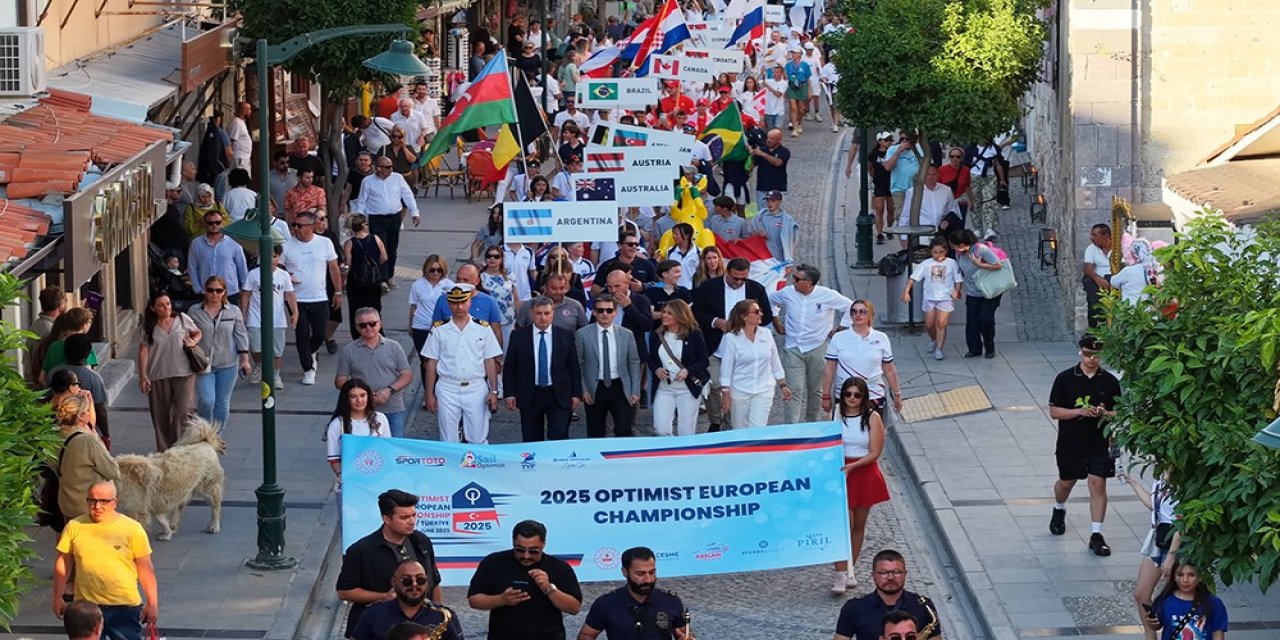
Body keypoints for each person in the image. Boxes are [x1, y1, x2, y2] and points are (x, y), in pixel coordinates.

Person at [53, 480, 158, 640]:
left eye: (104, 501)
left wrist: (152, 603)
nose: (97, 506)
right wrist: (57, 597)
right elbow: (63, 563)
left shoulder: (132, 529)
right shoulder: (74, 526)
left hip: (124, 607)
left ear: (115, 502)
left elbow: (145, 568)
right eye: (92, 500)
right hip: (86, 608)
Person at [1048, 333, 1122, 557]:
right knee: (1066, 482)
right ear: (1080, 352)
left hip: (1099, 442)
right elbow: (1054, 411)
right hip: (1071, 442)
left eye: (1096, 355)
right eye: (1088, 354)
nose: (1092, 359)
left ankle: (1096, 535)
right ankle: (1059, 509)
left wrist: (1105, 413)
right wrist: (1079, 411)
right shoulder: (1065, 379)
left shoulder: (1109, 381)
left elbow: (1119, 412)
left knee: (1097, 484)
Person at [337, 489, 444, 633]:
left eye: (414, 515)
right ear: (386, 519)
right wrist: (383, 596)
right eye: (404, 518)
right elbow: (345, 592)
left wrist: (438, 614)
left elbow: (433, 581)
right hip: (379, 627)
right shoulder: (361, 550)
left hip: (419, 625)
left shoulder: (421, 541)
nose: (412, 522)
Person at [692, 258, 775, 431]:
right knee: (714, 384)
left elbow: (767, 315)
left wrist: (748, 324)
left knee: (734, 388)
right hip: (715, 347)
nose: (739, 282)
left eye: (743, 279)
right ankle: (716, 420)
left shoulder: (756, 289)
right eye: (735, 278)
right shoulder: (709, 286)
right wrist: (714, 321)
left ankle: (729, 425)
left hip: (743, 351)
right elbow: (696, 311)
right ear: (727, 272)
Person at [468, 520, 584, 640]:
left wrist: (549, 589)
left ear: (543, 544)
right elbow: (474, 600)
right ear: (513, 542)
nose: (526, 556)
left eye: (533, 551)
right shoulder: (493, 563)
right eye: (520, 550)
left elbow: (574, 608)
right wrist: (502, 599)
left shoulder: (559, 568)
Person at [770, 265, 853, 422]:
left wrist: (840, 329)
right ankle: (792, 428)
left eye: (797, 279)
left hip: (818, 347)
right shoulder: (787, 293)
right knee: (794, 389)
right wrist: (776, 321)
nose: (793, 281)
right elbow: (770, 301)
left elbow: (850, 307)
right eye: (794, 278)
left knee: (816, 390)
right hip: (793, 347)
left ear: (809, 282)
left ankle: (813, 424)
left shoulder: (827, 295)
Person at [422, 284, 503, 443]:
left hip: (475, 387)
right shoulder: (439, 329)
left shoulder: (483, 328)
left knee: (478, 437)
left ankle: (476, 460)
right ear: (448, 303)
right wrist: (429, 394)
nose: (459, 306)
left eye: (463, 302)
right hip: (447, 387)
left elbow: (489, 361)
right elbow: (431, 363)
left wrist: (494, 391)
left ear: (470, 302)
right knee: (448, 439)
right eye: (454, 302)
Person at [831, 377, 890, 593]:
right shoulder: (837, 414)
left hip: (863, 472)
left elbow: (875, 451)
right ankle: (840, 573)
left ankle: (850, 569)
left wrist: (854, 467)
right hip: (842, 472)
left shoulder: (872, 417)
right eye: (848, 394)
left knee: (858, 525)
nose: (852, 398)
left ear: (864, 397)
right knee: (844, 523)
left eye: (857, 395)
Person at [504, 297, 582, 441]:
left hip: (558, 394)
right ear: (531, 314)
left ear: (553, 313)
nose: (543, 317)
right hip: (530, 394)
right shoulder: (519, 336)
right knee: (532, 439)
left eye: (547, 313)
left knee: (559, 435)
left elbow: (573, 366)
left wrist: (576, 394)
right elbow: (510, 367)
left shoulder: (565, 335)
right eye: (539, 313)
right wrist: (509, 393)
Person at [282, 210, 343, 386]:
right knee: (301, 333)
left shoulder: (324, 243)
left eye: (300, 226)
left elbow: (333, 268)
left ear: (311, 226)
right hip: (296, 298)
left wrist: (338, 292)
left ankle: (310, 352)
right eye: (294, 225)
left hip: (319, 296)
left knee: (319, 333)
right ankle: (308, 368)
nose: (296, 229)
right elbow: (279, 266)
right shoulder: (287, 245)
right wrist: (288, 275)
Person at [577, 546, 691, 640]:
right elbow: (587, 635)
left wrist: (688, 637)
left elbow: (684, 633)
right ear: (625, 572)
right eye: (640, 574)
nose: (648, 580)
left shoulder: (671, 601)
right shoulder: (605, 604)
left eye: (652, 572)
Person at [335, 309, 414, 438]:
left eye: (372, 323)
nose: (368, 328)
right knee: (364, 447)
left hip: (392, 409)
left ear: (380, 323)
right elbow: (340, 380)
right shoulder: (348, 350)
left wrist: (389, 390)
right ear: (356, 327)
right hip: (361, 412)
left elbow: (407, 375)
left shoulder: (394, 347)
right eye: (363, 325)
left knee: (394, 446)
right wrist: (362, 392)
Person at [1122, 468, 1180, 640]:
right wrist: (1132, 481)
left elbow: (1182, 522)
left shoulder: (1181, 478)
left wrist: (1171, 556)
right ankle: (1150, 635)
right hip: (1158, 538)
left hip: (1175, 541)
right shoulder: (1160, 474)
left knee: (1181, 594)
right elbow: (1153, 505)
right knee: (1141, 594)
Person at [137, 292, 201, 451]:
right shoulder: (148, 327)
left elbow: (197, 332)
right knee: (161, 415)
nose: (166, 308)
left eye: (168, 303)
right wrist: (143, 375)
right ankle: (165, 450)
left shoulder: (182, 319)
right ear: (153, 308)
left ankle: (182, 447)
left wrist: (193, 341)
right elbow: (143, 351)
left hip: (184, 372)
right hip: (159, 374)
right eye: (161, 305)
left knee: (184, 411)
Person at [832, 549, 942, 640]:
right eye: (883, 573)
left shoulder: (923, 606)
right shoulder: (854, 608)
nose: (890, 577)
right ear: (873, 575)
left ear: (905, 574)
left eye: (897, 572)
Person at [187, 276, 251, 431]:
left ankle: (217, 435)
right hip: (203, 364)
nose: (214, 294)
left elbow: (240, 334)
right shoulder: (194, 311)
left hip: (228, 363)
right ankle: (204, 430)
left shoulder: (233, 311)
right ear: (205, 291)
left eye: (218, 290)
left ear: (224, 292)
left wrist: (245, 360)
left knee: (222, 402)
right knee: (207, 400)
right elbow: (187, 333)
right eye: (210, 290)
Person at [822, 300, 903, 418]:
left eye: (862, 312)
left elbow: (889, 369)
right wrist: (826, 396)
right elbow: (829, 369)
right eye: (854, 312)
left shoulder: (881, 338)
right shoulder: (838, 338)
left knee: (874, 428)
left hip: (874, 394)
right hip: (847, 395)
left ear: (870, 315)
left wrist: (897, 394)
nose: (858, 315)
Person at [576, 295, 641, 438]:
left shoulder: (626, 334)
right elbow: (578, 364)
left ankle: (621, 453)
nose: (604, 314)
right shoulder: (582, 334)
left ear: (615, 312)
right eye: (600, 310)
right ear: (594, 312)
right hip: (594, 388)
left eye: (609, 310)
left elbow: (634, 362)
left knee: (624, 430)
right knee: (595, 432)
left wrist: (635, 390)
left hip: (620, 387)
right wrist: (583, 389)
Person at [718, 299, 790, 428]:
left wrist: (783, 384)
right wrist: (726, 392)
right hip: (739, 390)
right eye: (756, 312)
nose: (761, 314)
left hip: (764, 389)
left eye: (760, 310)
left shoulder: (766, 334)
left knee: (758, 428)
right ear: (744, 316)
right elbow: (726, 368)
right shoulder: (730, 339)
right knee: (740, 428)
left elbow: (775, 360)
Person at [348, 560, 462, 640]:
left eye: (421, 580)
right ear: (394, 582)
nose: (414, 584)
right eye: (407, 580)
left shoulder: (443, 615)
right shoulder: (373, 614)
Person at [351, 156, 421, 285]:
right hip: (376, 218)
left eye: (391, 167)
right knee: (380, 247)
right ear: (378, 168)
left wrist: (414, 213)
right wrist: (359, 221)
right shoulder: (368, 181)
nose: (391, 169)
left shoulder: (397, 178)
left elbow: (407, 195)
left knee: (392, 248)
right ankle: (381, 278)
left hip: (394, 217)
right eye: (387, 167)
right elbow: (362, 201)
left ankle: (389, 275)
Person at [55, 394, 120, 524]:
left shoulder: (55, 435)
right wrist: (97, 438)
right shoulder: (87, 441)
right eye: (88, 410)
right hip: (89, 507)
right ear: (80, 415)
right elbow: (113, 471)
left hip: (67, 503)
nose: (90, 413)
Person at [648, 299, 709, 437]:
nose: (664, 315)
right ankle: (668, 449)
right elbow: (651, 358)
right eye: (664, 312)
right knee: (660, 429)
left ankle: (685, 451)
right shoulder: (657, 334)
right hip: (664, 388)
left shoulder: (694, 334)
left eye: (669, 313)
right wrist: (656, 369)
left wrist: (687, 370)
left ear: (680, 315)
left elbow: (703, 361)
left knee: (686, 431)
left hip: (687, 389)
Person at [241, 245, 298, 389]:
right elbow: (246, 294)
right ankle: (259, 365)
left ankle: (275, 375)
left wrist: (295, 312)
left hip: (277, 318)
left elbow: (290, 294)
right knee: (255, 346)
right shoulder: (253, 274)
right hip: (256, 317)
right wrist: (243, 314)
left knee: (277, 350)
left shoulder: (283, 275)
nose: (271, 260)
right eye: (268, 256)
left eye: (275, 256)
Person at [902, 238, 963, 361]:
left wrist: (956, 291)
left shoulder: (951, 263)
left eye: (941, 252)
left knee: (941, 323)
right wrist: (906, 291)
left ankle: (939, 348)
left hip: (945, 298)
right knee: (929, 324)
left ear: (946, 251)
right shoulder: (926, 264)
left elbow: (958, 279)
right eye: (935, 252)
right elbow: (913, 278)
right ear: (931, 252)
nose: (938, 255)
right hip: (929, 297)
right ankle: (933, 338)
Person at [949, 229, 1005, 359]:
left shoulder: (981, 250)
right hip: (972, 292)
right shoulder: (959, 254)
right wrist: (957, 289)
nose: (951, 247)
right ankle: (974, 349)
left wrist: (979, 264)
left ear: (962, 244)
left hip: (989, 291)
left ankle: (989, 347)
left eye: (953, 245)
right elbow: (961, 272)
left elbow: (998, 265)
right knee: (972, 322)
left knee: (985, 319)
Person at [326, 378, 390, 487]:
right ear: (346, 399)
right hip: (351, 482)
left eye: (362, 395)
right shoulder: (337, 425)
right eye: (353, 397)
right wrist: (341, 475)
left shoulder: (381, 418)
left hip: (377, 480)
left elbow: (387, 450)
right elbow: (334, 459)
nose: (359, 400)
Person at [1144, 560, 1227, 640]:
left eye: (1191, 575)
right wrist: (1151, 623)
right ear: (1174, 577)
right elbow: (1157, 626)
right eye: (1180, 575)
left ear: (1200, 577)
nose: (1185, 580)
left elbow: (1218, 634)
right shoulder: (1164, 601)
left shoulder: (1214, 603)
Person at [342, 214, 389, 339]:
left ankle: (358, 335)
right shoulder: (375, 238)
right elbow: (384, 257)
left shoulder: (349, 243)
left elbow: (348, 263)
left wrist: (342, 279)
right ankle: (377, 332)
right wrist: (374, 266)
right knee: (375, 308)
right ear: (364, 226)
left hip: (356, 282)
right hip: (373, 281)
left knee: (356, 310)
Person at [896, 166, 962, 246]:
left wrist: (947, 221)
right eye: (928, 174)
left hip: (941, 233)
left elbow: (952, 210)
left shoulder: (946, 190)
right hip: (921, 235)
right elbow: (905, 216)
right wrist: (904, 238)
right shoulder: (913, 192)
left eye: (933, 174)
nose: (931, 177)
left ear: (938, 175)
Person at [408, 255, 455, 365]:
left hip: (441, 328)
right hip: (421, 327)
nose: (435, 273)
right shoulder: (417, 285)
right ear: (426, 269)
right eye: (432, 270)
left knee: (440, 361)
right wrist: (410, 326)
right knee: (424, 361)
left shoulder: (449, 286)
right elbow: (413, 307)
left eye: (439, 270)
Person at [604, 268, 655, 366]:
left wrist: (629, 307)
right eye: (609, 287)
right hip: (608, 353)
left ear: (627, 284)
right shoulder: (603, 300)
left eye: (617, 286)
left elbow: (647, 325)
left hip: (633, 355)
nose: (613, 290)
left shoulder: (641, 300)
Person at [966, 138, 1006, 241]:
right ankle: (978, 229)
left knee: (989, 202)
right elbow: (966, 164)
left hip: (990, 177)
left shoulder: (993, 149)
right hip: (974, 177)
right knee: (975, 203)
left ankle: (990, 228)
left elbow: (998, 165)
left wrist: (1002, 179)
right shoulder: (971, 148)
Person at [482, 249, 522, 346]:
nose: (492, 259)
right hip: (487, 321)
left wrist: (519, 316)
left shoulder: (509, 275)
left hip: (507, 319)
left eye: (496, 256)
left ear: (502, 259)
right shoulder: (481, 276)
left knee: (507, 348)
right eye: (489, 256)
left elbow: (516, 298)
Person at [1081, 223, 1114, 328]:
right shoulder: (1091, 249)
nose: (1091, 238)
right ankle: (1093, 326)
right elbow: (1087, 268)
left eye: (1094, 235)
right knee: (1089, 285)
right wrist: (1097, 278)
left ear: (1106, 236)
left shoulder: (1118, 247)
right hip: (1097, 279)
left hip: (1113, 277)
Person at [884, 133, 922, 218]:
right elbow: (887, 167)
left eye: (907, 139)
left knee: (915, 213)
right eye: (902, 139)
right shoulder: (892, 149)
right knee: (901, 214)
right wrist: (898, 152)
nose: (904, 141)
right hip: (898, 188)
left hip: (915, 187)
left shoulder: (920, 149)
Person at [752, 130, 790, 206]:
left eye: (771, 139)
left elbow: (778, 163)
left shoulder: (784, 151)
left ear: (779, 140)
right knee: (762, 211)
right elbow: (752, 165)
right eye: (768, 138)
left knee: (777, 211)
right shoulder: (762, 149)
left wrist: (763, 155)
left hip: (778, 188)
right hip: (762, 188)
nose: (768, 140)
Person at [936, 147, 972, 217]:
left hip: (960, 202)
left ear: (962, 158)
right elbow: (937, 187)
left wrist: (971, 201)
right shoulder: (941, 170)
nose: (955, 158)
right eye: (952, 156)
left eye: (958, 157)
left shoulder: (966, 170)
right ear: (949, 157)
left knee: (960, 222)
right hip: (945, 202)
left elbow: (967, 187)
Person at [784, 48, 811, 134]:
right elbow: (785, 77)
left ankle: (799, 123)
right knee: (793, 108)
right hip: (791, 87)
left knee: (801, 109)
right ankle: (794, 128)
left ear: (800, 54)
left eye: (795, 53)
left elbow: (808, 78)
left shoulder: (805, 65)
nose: (793, 54)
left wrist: (809, 90)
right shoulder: (788, 65)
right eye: (792, 53)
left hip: (802, 87)